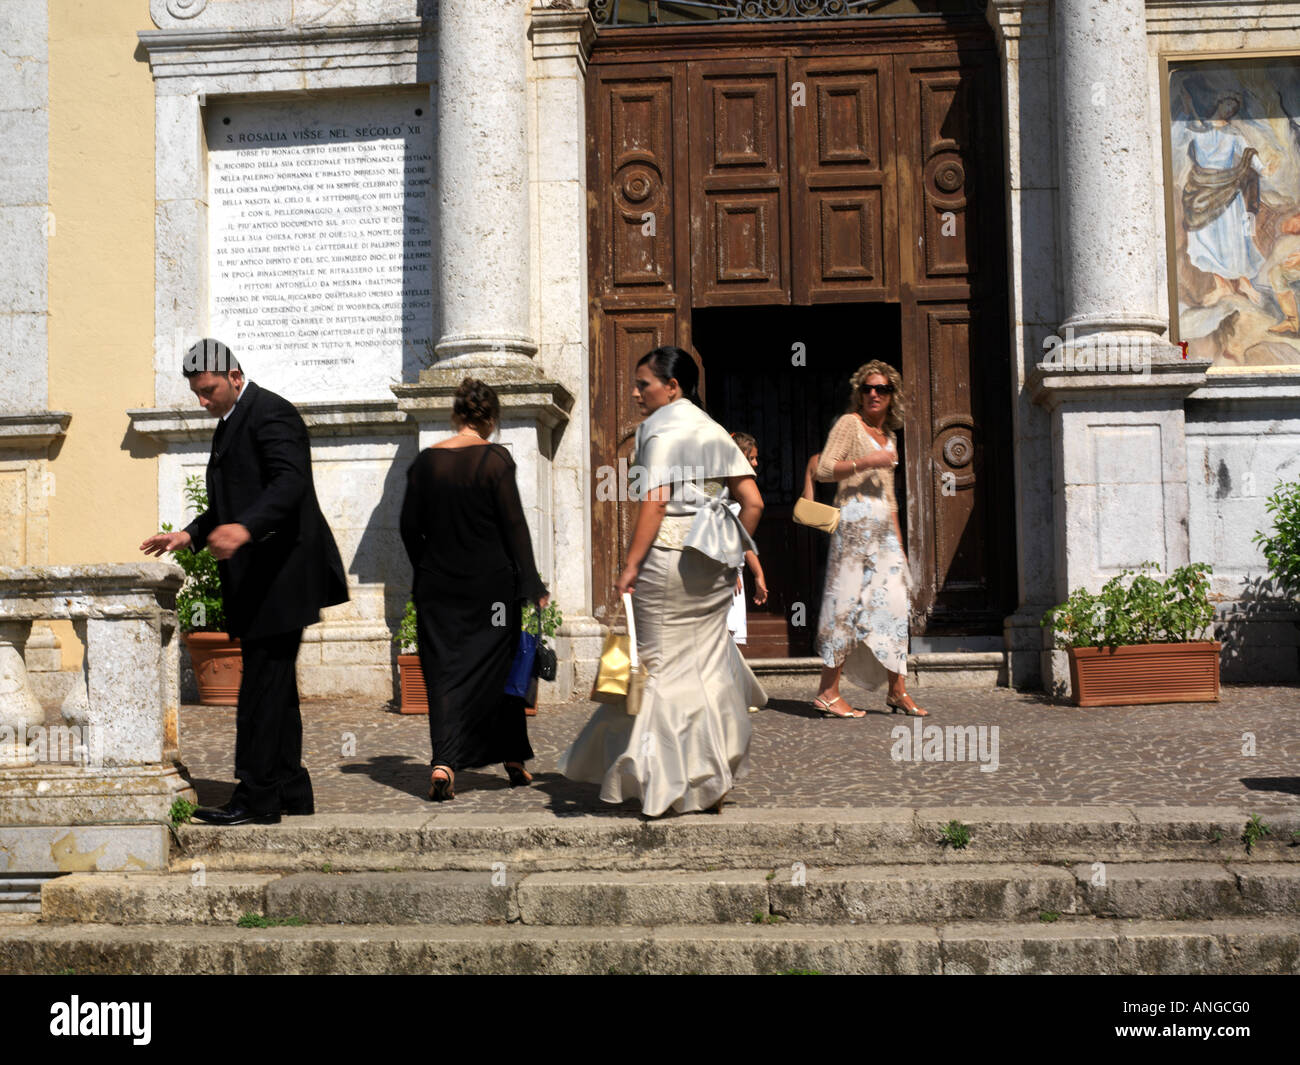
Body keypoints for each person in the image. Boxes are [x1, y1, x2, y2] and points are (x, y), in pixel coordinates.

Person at [141, 339, 348, 825]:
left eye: (208, 389)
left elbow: (289, 483)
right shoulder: (233, 421)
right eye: (196, 393)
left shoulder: (271, 413)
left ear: (235, 376)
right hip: (264, 580)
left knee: (259, 688)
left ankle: (255, 797)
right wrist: (188, 534)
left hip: (281, 577)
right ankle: (290, 789)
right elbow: (229, 503)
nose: (202, 401)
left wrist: (247, 528)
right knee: (274, 686)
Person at [559, 347, 766, 816]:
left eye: (643, 385)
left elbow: (653, 504)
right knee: (710, 665)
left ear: (672, 387)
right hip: (713, 566)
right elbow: (752, 502)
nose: (635, 393)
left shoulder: (658, 427)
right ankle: (712, 775)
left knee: (661, 668)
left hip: (668, 562)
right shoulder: (714, 429)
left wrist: (629, 565)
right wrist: (729, 549)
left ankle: (669, 781)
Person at [399, 378, 549, 801]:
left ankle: (444, 763)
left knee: (443, 671)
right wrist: (531, 581)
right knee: (503, 666)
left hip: (438, 587)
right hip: (493, 592)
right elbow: (513, 525)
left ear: (456, 414)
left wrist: (427, 569)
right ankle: (513, 759)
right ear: (491, 418)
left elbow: (409, 528)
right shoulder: (495, 460)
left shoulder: (426, 462)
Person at [812, 359, 926, 718]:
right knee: (846, 605)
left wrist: (900, 547)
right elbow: (824, 469)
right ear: (858, 394)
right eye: (868, 388)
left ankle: (897, 690)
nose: (874, 394)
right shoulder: (850, 424)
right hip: (854, 525)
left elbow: (891, 498)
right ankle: (827, 691)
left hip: (883, 533)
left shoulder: (890, 438)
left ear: (893, 396)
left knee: (894, 607)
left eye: (882, 389)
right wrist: (866, 462)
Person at [725, 432, 768, 647]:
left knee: (731, 641)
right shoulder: (724, 502)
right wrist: (729, 568)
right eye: (751, 458)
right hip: (725, 572)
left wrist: (758, 575)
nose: (756, 463)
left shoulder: (739, 501)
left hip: (736, 575)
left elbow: (744, 542)